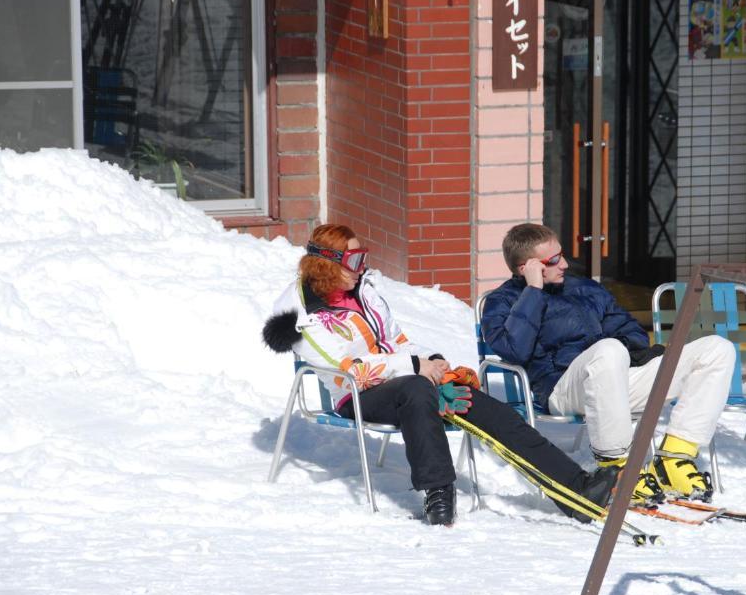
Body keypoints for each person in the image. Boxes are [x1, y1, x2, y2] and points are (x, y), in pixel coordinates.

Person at [262, 224, 618, 527]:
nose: (363, 267)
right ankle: (438, 492)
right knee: (417, 389)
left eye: (364, 257)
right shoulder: (300, 312)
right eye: (355, 260)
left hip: (409, 385)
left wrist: (431, 362)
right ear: (326, 265)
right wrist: (417, 369)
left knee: (487, 409)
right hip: (354, 394)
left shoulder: (364, 291)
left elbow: (397, 341)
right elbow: (350, 370)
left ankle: (576, 489)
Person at [480, 223, 737, 503]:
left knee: (717, 349)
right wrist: (533, 292)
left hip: (614, 377)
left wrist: (615, 356)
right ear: (525, 268)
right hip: (561, 388)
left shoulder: (586, 289)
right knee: (608, 350)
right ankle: (617, 469)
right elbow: (514, 350)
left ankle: (675, 458)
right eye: (553, 260)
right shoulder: (502, 302)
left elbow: (632, 333)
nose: (564, 264)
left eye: (562, 254)